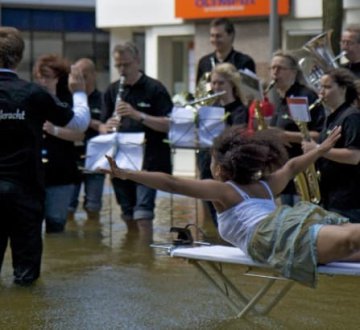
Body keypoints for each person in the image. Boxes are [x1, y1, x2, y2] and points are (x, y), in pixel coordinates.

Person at [102, 125, 360, 288]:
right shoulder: (256, 187)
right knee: (351, 238)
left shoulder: (226, 190)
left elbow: (171, 182)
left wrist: (128, 174)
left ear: (221, 167)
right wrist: (319, 150)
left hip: (274, 233)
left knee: (352, 240)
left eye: (213, 161)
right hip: (279, 231)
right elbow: (291, 166)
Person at [0, 27, 89, 285]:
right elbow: (80, 123)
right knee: (26, 277)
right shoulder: (33, 94)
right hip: (25, 192)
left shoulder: (34, 93)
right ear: (18, 58)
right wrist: (79, 90)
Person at [99, 41, 172, 242]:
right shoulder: (113, 90)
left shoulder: (155, 88)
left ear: (137, 61)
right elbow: (103, 125)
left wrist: (137, 114)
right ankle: (132, 256)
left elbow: (169, 124)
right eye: (118, 66)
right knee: (127, 213)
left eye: (126, 65)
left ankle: (146, 257)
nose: (122, 70)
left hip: (149, 162)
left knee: (143, 214)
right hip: (121, 161)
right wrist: (107, 126)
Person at [33, 54, 84, 233]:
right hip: (35, 172)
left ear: (57, 78)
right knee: (31, 224)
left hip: (62, 170)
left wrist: (54, 130)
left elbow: (80, 134)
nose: (42, 81)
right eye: (39, 77)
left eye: (47, 77)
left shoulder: (68, 101)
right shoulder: (32, 98)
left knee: (56, 224)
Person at [302, 68, 360, 222]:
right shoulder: (331, 117)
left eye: (327, 87)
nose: (321, 92)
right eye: (320, 87)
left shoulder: (351, 117)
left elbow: (355, 156)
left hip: (348, 202)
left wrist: (317, 150)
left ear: (343, 89)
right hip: (330, 198)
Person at [269, 50, 326, 206]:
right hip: (285, 171)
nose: (275, 73)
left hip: (302, 172)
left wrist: (287, 136)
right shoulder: (282, 99)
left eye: (280, 68)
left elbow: (320, 134)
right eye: (272, 68)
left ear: (293, 72)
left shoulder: (305, 96)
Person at [197, 62, 248, 227]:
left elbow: (237, 137)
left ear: (231, 84)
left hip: (227, 168)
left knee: (229, 215)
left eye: (221, 83)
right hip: (207, 164)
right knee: (213, 213)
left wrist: (219, 127)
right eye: (214, 83)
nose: (216, 87)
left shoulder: (240, 109)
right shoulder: (210, 107)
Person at [68, 58, 105, 221]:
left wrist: (90, 123)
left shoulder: (103, 99)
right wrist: (90, 123)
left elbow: (108, 126)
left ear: (93, 75)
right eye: (77, 76)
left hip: (96, 159)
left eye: (84, 76)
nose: (81, 80)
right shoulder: (70, 99)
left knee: (93, 206)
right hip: (72, 158)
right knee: (68, 206)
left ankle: (93, 238)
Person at [196, 17, 256, 85]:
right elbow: (199, 91)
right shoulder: (204, 62)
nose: (214, 40)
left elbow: (250, 92)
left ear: (230, 35)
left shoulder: (245, 62)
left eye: (218, 36)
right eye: (212, 36)